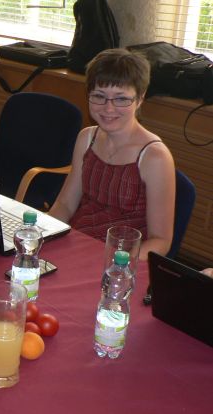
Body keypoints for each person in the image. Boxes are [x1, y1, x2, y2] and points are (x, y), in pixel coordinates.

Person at [49, 48, 175, 261]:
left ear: (140, 99)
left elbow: (160, 240)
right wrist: (42, 234)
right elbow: (65, 205)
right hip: (77, 246)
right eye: (99, 96)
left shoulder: (155, 156)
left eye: (121, 99)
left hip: (122, 261)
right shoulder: (86, 138)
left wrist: (117, 263)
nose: (108, 109)